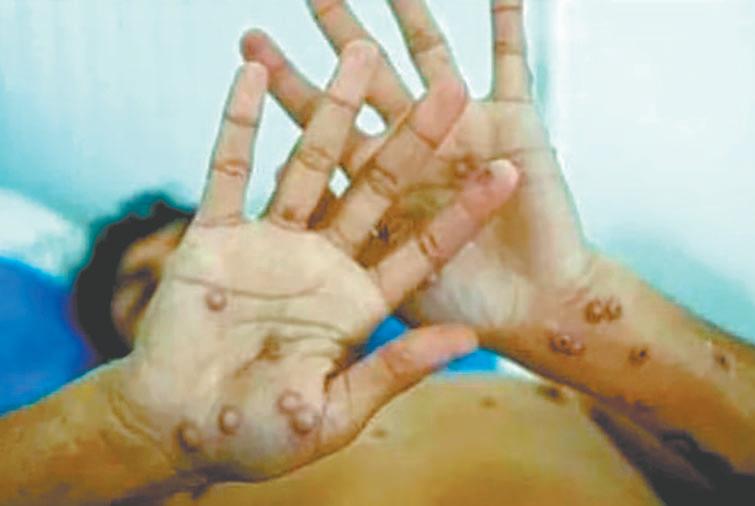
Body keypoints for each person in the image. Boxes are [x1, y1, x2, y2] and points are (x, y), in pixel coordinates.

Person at [0, 40, 521, 505]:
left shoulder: (467, 363)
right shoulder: (126, 474)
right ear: (116, 358)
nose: (190, 285)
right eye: (144, 293)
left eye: (192, 254)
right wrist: (122, 428)